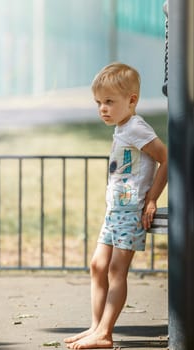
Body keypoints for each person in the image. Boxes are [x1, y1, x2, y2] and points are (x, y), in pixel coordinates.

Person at [64, 62, 168, 349]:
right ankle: (95, 327)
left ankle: (105, 334)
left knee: (115, 270)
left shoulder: (136, 127)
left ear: (131, 100)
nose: (103, 109)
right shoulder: (123, 128)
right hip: (115, 211)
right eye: (99, 103)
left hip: (131, 211)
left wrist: (152, 199)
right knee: (97, 266)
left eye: (109, 102)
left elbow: (165, 158)